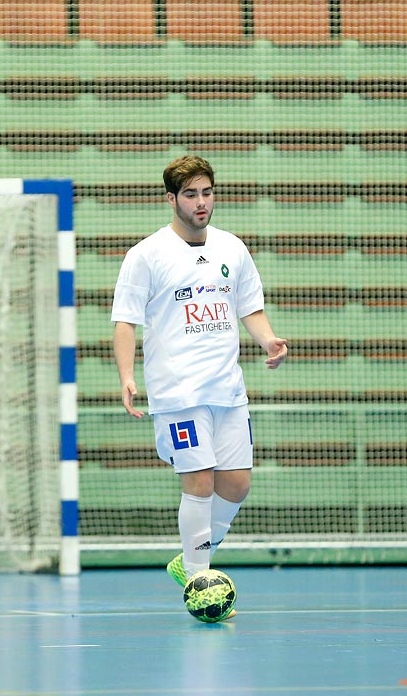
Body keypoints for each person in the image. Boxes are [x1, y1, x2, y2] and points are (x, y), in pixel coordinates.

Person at [110, 155, 288, 614]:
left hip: (227, 388)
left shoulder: (233, 248)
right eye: (190, 194)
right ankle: (198, 581)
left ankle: (190, 558)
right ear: (171, 199)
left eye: (207, 192)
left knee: (237, 484)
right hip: (178, 392)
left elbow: (249, 306)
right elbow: (125, 322)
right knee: (200, 481)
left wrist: (268, 340)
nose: (201, 202)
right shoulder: (145, 255)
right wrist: (127, 376)